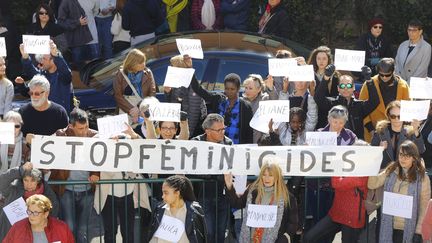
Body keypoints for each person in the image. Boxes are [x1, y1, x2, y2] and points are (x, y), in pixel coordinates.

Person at [49, 108, 100, 243]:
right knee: (69, 226)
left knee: (83, 228)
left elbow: (102, 158)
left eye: (86, 127)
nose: (84, 131)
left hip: (87, 190)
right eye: (80, 128)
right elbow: (45, 146)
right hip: (66, 190)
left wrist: (96, 174)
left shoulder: (95, 136)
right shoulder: (60, 135)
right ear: (71, 126)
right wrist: (33, 139)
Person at [94, 127, 151, 243]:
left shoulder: (129, 141)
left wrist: (132, 135)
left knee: (128, 232)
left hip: (127, 195)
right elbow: (93, 141)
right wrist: (108, 137)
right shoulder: (104, 145)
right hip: (108, 196)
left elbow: (144, 145)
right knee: (110, 232)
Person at [303, 141, 368, 243]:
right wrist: (310, 149)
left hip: (352, 219)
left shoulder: (364, 172)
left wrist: (336, 167)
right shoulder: (346, 165)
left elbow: (336, 183)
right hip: (336, 213)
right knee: (309, 237)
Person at [368, 140, 431, 243]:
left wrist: (418, 231)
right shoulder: (391, 170)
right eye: (401, 154)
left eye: (407, 156)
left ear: (414, 158)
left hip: (408, 229)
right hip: (388, 225)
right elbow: (372, 184)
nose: (403, 158)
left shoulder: (423, 178)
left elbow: (424, 207)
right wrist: (374, 161)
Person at [224, 157, 298, 242]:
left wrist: (284, 238)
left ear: (277, 177)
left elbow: (293, 223)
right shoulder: (252, 191)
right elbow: (237, 203)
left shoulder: (288, 197)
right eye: (264, 175)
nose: (267, 178)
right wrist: (229, 187)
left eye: (270, 175)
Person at [187, 56, 253, 143]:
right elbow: (199, 90)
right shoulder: (218, 99)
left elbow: (249, 132)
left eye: (232, 89)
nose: (229, 91)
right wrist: (189, 68)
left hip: (236, 148)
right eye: (226, 88)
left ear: (238, 89)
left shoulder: (245, 106)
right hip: (218, 147)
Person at [191, 113, 232, 243]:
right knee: (208, 231)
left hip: (222, 194)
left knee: (221, 231)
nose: (222, 132)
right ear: (207, 131)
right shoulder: (195, 143)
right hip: (203, 193)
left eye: (223, 128)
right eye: (218, 130)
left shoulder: (228, 143)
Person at [0, 162, 59, 240]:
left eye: (32, 180)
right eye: (26, 180)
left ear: (38, 181)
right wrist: (20, 170)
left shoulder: (48, 197)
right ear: (22, 180)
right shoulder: (13, 192)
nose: (29, 184)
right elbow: (2, 180)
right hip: (11, 237)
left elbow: (52, 219)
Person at [314, 71, 379, 139]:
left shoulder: (359, 106)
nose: (345, 88)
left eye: (348, 85)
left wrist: (369, 81)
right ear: (338, 88)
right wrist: (326, 78)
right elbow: (318, 98)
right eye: (342, 86)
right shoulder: (332, 103)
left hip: (355, 144)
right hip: (334, 144)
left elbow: (375, 101)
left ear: (353, 87)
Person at [359, 57, 410, 142]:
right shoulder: (369, 83)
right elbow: (362, 109)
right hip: (372, 130)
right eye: (381, 74)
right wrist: (371, 130)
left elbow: (408, 111)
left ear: (393, 72)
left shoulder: (403, 86)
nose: (384, 77)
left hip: (397, 132)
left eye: (387, 75)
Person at [17, 40, 73, 112]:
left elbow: (66, 73)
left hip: (59, 116)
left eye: (44, 59)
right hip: (43, 114)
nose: (41, 61)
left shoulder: (63, 76)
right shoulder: (42, 75)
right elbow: (30, 71)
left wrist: (56, 55)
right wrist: (25, 57)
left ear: (53, 60)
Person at [148, 175, 207, 242]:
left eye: (166, 193)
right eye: (163, 192)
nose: (162, 196)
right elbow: (154, 237)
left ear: (177, 193)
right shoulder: (159, 210)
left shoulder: (193, 212)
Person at [371, 100, 425, 169]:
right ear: (388, 116)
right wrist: (379, 149)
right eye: (393, 116)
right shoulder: (380, 131)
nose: (396, 119)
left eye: (399, 116)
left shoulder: (411, 132)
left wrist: (416, 131)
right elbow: (371, 155)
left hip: (405, 174)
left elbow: (420, 150)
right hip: (384, 173)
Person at [164, 55, 207, 137]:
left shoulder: (192, 86)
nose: (170, 68)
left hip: (188, 131)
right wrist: (168, 93)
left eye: (172, 66)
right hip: (178, 127)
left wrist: (187, 134)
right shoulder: (175, 84)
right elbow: (172, 106)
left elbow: (193, 112)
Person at [2, 194, 74, 243]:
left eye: (36, 213)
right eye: (30, 212)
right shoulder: (17, 228)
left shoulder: (61, 228)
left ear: (46, 214)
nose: (31, 216)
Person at [18, 75, 69, 140]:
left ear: (47, 93)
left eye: (37, 94)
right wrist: (25, 141)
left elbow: (66, 139)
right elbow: (16, 138)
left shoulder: (59, 112)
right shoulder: (23, 112)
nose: (33, 96)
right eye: (31, 93)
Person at [113, 49, 156, 124]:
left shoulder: (148, 73)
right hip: (125, 111)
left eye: (144, 61)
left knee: (144, 133)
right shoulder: (120, 74)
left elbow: (152, 93)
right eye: (141, 62)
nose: (144, 64)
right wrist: (131, 110)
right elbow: (118, 96)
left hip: (144, 109)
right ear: (133, 63)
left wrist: (139, 108)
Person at [58, 0, 99, 68]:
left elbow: (96, 12)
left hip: (93, 38)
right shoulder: (66, 2)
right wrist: (77, 22)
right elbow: (61, 21)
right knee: (79, 69)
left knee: (95, 67)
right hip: (77, 40)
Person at [307, 46, 340, 129]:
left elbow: (335, 95)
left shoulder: (335, 76)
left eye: (324, 59)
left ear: (328, 59)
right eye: (319, 58)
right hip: (311, 110)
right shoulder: (309, 74)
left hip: (327, 112)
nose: (321, 61)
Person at [395, 19, 431, 84]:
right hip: (400, 83)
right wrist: (399, 81)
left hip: (416, 85)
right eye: (409, 30)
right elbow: (396, 64)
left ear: (420, 32)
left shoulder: (426, 47)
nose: (411, 33)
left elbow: (422, 70)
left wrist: (407, 84)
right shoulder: (402, 45)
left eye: (414, 30)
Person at [243, 74, 271, 143]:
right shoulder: (242, 101)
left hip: (259, 142)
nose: (247, 91)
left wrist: (271, 88)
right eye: (246, 88)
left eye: (250, 88)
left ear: (259, 89)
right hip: (244, 142)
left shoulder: (265, 99)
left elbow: (275, 100)